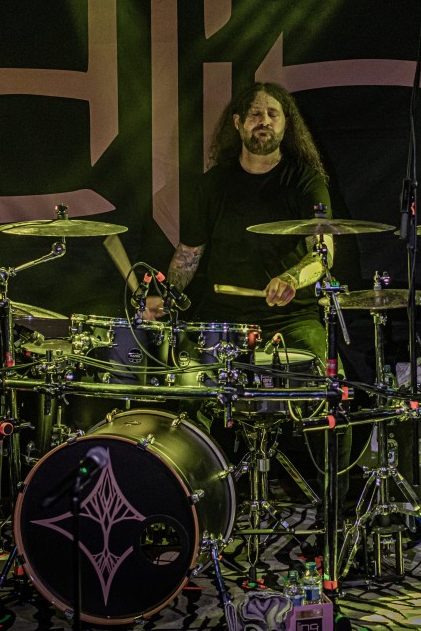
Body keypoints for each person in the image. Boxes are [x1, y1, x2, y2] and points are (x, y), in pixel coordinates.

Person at [141, 81, 352, 501]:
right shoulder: (213, 184)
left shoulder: (304, 180)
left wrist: (292, 279)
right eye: (255, 114)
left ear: (286, 125)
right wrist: (167, 295)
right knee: (184, 397)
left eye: (273, 114)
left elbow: (323, 251)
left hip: (293, 319)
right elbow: (189, 255)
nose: (264, 122)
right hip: (222, 320)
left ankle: (334, 511)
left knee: (332, 393)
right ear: (238, 123)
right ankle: (197, 504)